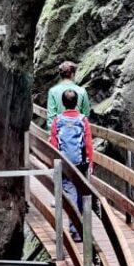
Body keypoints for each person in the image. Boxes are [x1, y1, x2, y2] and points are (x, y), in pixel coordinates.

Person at [49, 89, 93, 240]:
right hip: (79, 163)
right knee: (80, 194)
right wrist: (90, 163)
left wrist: (54, 164)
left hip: (63, 163)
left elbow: (53, 143)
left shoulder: (57, 120)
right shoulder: (82, 120)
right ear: (76, 103)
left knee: (71, 193)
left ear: (63, 103)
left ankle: (75, 231)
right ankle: (79, 230)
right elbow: (88, 144)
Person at [46, 60, 90, 129]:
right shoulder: (82, 91)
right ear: (72, 74)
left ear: (61, 75)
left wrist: (52, 135)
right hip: (77, 133)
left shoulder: (52, 91)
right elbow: (86, 115)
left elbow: (51, 118)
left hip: (60, 133)